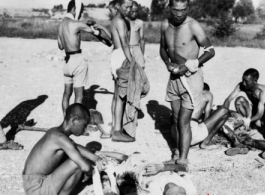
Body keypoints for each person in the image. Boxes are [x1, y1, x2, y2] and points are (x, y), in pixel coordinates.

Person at [160, 0, 215, 169]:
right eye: (176, 10)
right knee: (175, 119)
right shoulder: (165, 24)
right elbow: (162, 48)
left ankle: (183, 160)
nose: (179, 14)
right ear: (170, 8)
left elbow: (210, 50)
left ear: (188, 9)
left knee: (184, 120)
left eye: (183, 10)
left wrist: (189, 65)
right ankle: (177, 152)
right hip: (174, 77)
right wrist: (167, 63)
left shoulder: (193, 26)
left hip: (191, 77)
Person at [22, 103, 107, 195]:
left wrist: (96, 158)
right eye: (84, 125)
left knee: (76, 158)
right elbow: (85, 167)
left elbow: (76, 147)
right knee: (77, 163)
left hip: (34, 182)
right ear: (74, 120)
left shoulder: (56, 132)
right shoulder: (60, 138)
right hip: (37, 188)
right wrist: (89, 173)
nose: (85, 129)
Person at [58, 0, 112, 116]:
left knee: (66, 94)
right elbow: (97, 33)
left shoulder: (61, 24)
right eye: (80, 11)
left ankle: (65, 122)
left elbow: (60, 46)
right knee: (79, 96)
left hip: (66, 62)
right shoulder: (77, 24)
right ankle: (77, 124)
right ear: (74, 10)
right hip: (77, 59)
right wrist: (99, 30)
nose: (81, 14)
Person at [93, 151, 197, 195]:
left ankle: (97, 154)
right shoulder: (189, 187)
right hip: (149, 161)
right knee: (129, 157)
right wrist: (163, 167)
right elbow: (184, 167)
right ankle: (102, 153)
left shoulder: (155, 191)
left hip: (135, 169)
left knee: (108, 170)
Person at [109, 0, 135, 142]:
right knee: (121, 96)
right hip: (121, 56)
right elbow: (125, 44)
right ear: (118, 5)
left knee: (116, 94)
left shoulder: (118, 20)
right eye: (126, 6)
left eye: (131, 7)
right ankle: (117, 131)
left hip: (117, 55)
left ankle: (115, 126)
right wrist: (133, 62)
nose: (129, 9)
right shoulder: (119, 21)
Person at [128, 1, 145, 69]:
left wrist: (142, 55)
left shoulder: (139, 23)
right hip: (127, 48)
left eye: (136, 11)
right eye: (132, 11)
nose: (134, 14)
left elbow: (142, 39)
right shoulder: (124, 22)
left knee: (140, 69)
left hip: (136, 48)